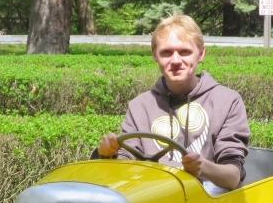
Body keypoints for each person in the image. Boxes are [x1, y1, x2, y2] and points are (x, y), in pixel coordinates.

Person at [96, 12, 249, 193]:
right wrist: (107, 153)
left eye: (184, 51)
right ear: (155, 55)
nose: (176, 61)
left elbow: (233, 177)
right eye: (167, 52)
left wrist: (203, 168)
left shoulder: (227, 101)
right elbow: (124, 168)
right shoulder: (140, 106)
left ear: (201, 53)